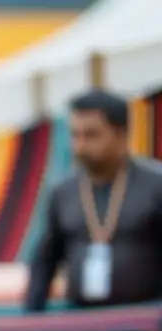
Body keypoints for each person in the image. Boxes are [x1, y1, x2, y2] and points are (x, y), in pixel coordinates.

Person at [25, 89, 162, 312]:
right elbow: (45, 259)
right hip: (84, 325)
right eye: (75, 135)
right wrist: (32, 316)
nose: (80, 146)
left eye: (91, 135)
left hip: (143, 327)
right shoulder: (63, 192)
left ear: (120, 134)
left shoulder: (155, 186)